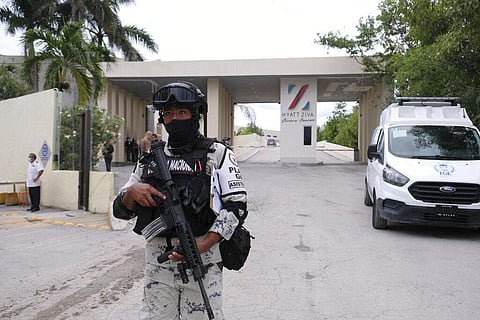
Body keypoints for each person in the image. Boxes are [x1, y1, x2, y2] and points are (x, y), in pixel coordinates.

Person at [112, 81, 248, 319]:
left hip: (202, 262)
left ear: (195, 115)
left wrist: (205, 243)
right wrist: (132, 193)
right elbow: (120, 209)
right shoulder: (149, 159)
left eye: (182, 112)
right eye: (168, 113)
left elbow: (237, 207)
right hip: (158, 267)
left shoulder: (217, 153)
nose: (174, 119)